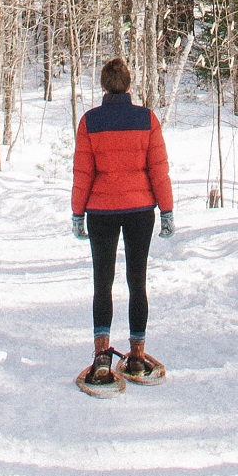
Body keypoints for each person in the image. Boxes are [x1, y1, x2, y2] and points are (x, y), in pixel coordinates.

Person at [71, 56, 174, 389]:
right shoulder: (146, 120)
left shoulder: (90, 122)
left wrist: (77, 212)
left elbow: (83, 173)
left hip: (101, 211)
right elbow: (158, 169)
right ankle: (137, 352)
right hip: (140, 210)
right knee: (136, 280)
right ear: (129, 86)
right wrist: (167, 210)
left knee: (103, 281)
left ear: (103, 86)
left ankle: (102, 355)